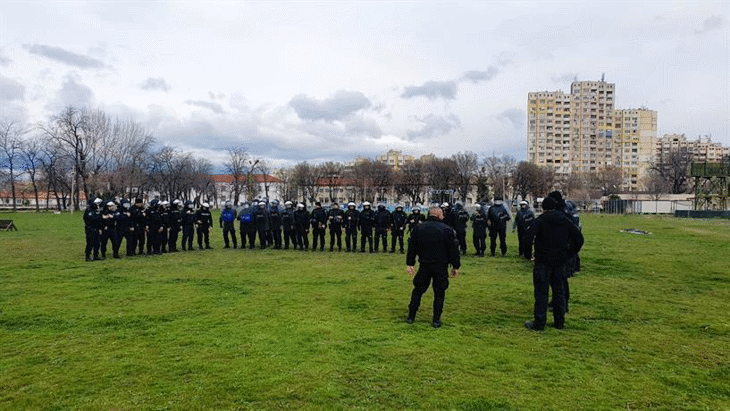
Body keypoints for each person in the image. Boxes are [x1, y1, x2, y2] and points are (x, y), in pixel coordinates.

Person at [524, 196, 584, 331]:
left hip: (543, 261)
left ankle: (539, 322)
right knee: (559, 292)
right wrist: (569, 254)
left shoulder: (540, 220)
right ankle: (559, 322)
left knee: (541, 293)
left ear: (543, 208)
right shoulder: (565, 220)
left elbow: (527, 239)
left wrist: (529, 255)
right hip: (560, 261)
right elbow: (579, 238)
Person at [405, 205, 461, 328]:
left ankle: (411, 316)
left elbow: (412, 247)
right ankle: (436, 320)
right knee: (439, 292)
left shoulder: (418, 228)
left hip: (424, 264)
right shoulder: (447, 230)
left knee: (418, 291)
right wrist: (455, 266)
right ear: (439, 215)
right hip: (441, 266)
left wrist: (410, 263)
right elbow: (453, 250)